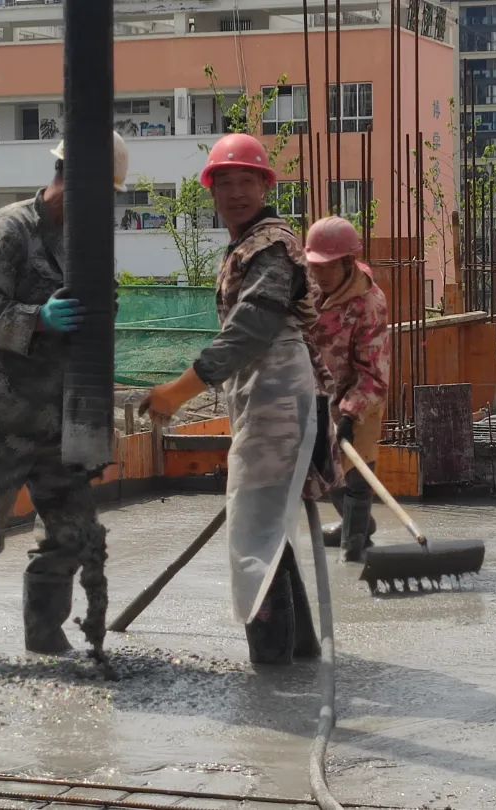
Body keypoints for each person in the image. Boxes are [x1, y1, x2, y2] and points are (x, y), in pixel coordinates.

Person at [0, 132, 130, 663]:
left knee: (69, 532)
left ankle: (45, 633)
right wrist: (35, 318)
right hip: (1, 411)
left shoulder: (84, 241)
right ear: (66, 177)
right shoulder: (10, 228)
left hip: (59, 415)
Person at [138, 133, 329, 667]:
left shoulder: (270, 243)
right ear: (212, 191)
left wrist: (180, 389)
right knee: (268, 530)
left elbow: (252, 327)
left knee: (252, 535)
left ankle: (272, 676)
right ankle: (299, 654)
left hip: (277, 394)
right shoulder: (248, 243)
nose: (237, 192)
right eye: (226, 183)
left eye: (248, 181)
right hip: (267, 394)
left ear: (266, 185)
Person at [304, 216, 391, 562]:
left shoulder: (369, 303)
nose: (318, 275)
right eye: (313, 267)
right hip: (319, 394)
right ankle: (357, 524)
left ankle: (354, 543)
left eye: (326, 268)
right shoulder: (307, 292)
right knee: (327, 468)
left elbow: (374, 372)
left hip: (362, 394)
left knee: (357, 465)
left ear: (346, 262)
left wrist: (350, 415)